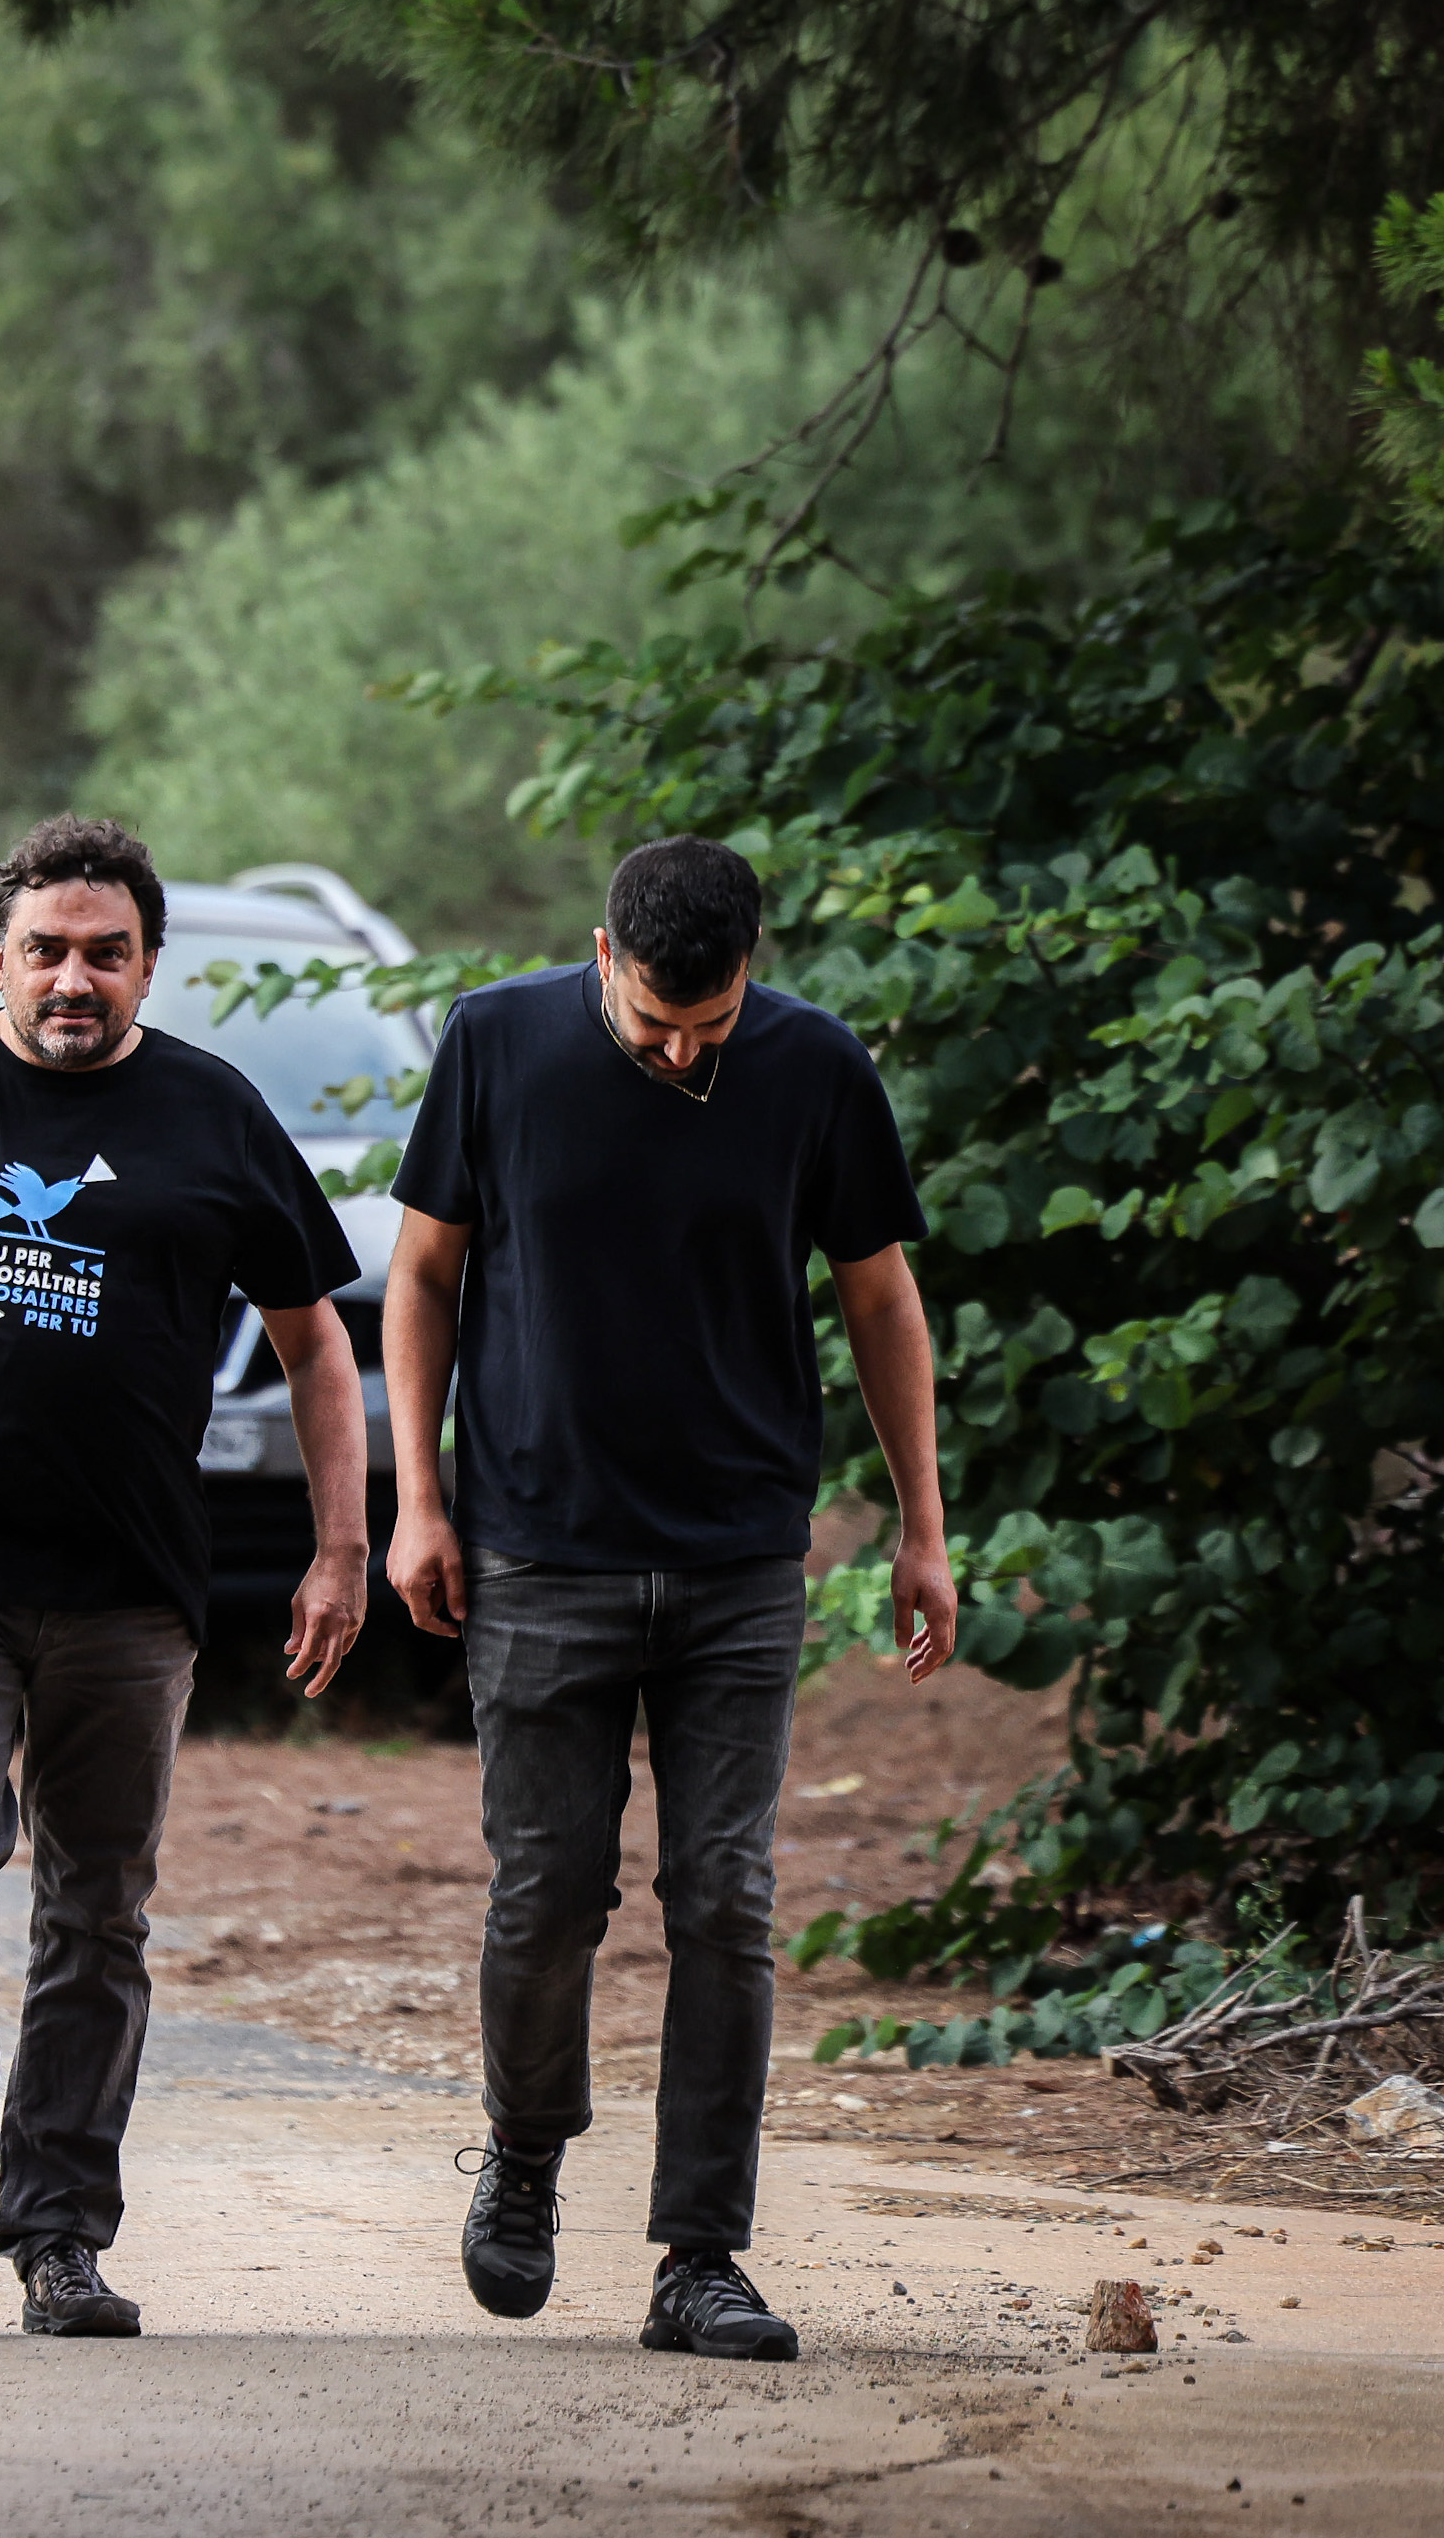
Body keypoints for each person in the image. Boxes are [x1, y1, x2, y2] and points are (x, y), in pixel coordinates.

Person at [0, 814, 370, 2340]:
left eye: (106, 951)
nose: (75, 977)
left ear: (150, 961)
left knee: (97, 1911)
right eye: (47, 949)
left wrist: (341, 1544)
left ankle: (61, 2234)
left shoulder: (214, 1114)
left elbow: (317, 1345)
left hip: (130, 1587)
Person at [384, 836, 953, 2365]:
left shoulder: (817, 1067)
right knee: (549, 1889)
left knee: (727, 1896)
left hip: (738, 1554)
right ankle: (523, 2151)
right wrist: (419, 1500)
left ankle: (700, 2254)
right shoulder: (498, 1042)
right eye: (653, 1024)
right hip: (540, 1542)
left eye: (709, 1026)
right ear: (601, 952)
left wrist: (921, 1526)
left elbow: (879, 1292)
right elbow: (423, 1275)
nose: (681, 1050)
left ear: (752, 964)